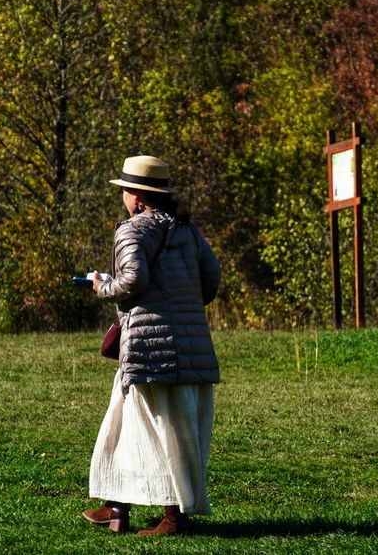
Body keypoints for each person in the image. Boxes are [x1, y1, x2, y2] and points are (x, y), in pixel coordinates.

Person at [81, 155, 222, 536]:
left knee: (154, 431)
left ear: (138, 197)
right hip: (189, 346)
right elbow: (211, 278)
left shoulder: (132, 230)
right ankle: (116, 505)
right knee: (128, 423)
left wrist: (102, 288)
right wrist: (182, 305)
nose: (124, 196)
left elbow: (134, 280)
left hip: (148, 347)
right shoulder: (187, 230)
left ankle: (175, 519)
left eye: (126, 190)